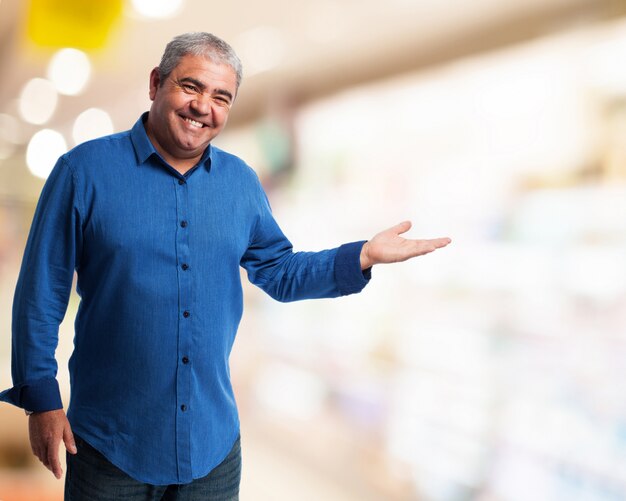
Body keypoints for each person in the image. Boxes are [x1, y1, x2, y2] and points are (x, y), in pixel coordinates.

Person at [0, 32, 451, 500]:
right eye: (190, 87)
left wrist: (360, 256)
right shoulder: (83, 173)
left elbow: (279, 270)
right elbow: (40, 294)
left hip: (210, 450)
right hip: (110, 446)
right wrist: (41, 402)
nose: (203, 107)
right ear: (156, 83)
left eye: (221, 97)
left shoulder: (240, 183)